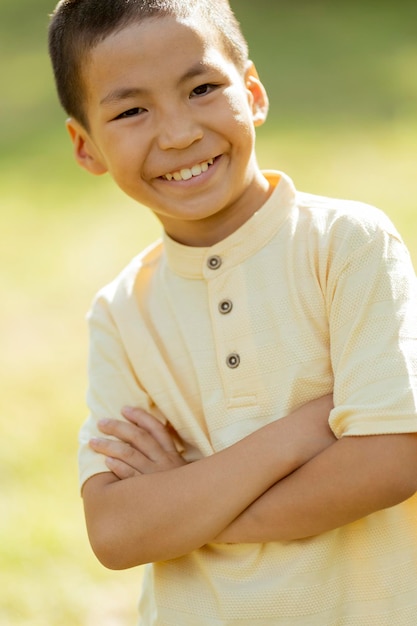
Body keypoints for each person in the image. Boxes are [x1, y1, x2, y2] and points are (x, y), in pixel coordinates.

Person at [48, 1, 417, 624]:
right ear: (87, 147)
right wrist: (306, 430)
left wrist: (185, 507)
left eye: (203, 89)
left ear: (253, 93)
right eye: (132, 110)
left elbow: (390, 460)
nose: (179, 133)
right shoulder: (119, 312)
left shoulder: (347, 243)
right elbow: (116, 531)